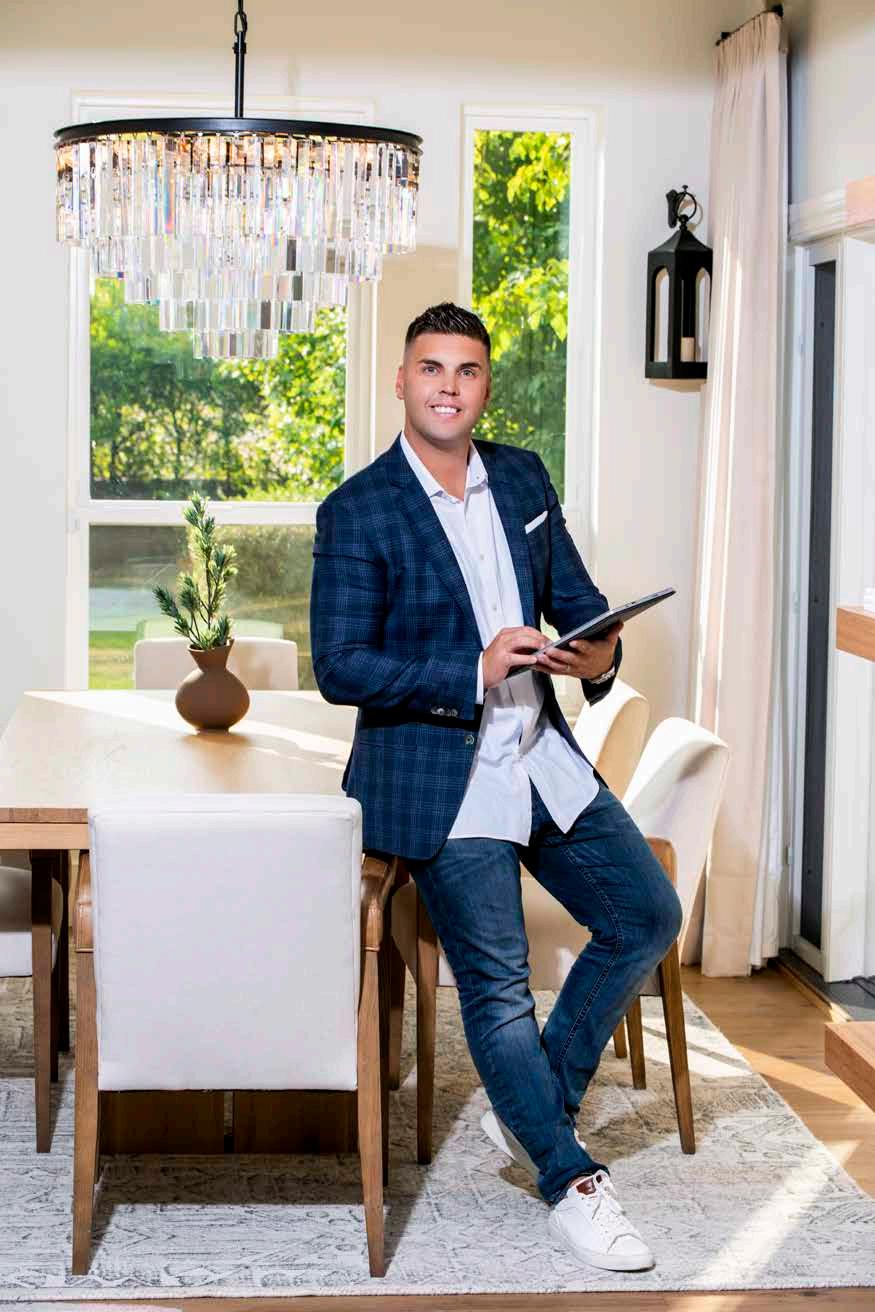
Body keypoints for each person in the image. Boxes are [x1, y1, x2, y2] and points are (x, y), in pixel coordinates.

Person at [310, 302, 682, 1272]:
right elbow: (340, 665)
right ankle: (570, 1179)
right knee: (498, 984)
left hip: (540, 754)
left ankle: (530, 1108)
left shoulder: (520, 476)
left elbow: (580, 604)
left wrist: (597, 652)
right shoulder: (357, 509)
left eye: (466, 370)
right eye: (430, 368)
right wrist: (470, 670)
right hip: (439, 778)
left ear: (484, 386)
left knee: (646, 914)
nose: (448, 386)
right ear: (400, 381)